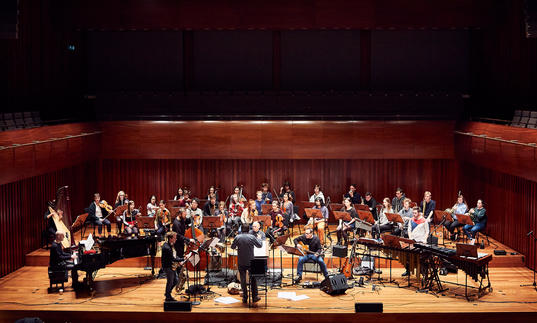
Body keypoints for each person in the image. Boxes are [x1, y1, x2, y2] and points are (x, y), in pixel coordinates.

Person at [231, 223, 262, 304]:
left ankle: (245, 298)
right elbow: (259, 245)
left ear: (241, 229)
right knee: (253, 279)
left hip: (241, 261)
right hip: (251, 261)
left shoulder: (237, 237)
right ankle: (254, 297)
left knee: (243, 279)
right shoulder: (252, 237)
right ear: (249, 229)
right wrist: (259, 238)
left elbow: (232, 247)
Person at [401, 207, 430, 276]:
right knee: (406, 254)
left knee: (421, 257)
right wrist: (410, 238)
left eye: (415, 213)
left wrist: (425, 240)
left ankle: (423, 272)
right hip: (413, 241)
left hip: (421, 242)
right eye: (413, 213)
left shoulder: (424, 220)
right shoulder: (411, 220)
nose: (413, 214)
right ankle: (408, 270)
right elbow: (409, 230)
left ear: (419, 213)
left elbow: (427, 232)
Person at [162, 232, 184, 302]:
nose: (176, 239)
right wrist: (182, 259)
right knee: (170, 282)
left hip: (172, 265)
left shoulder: (171, 245)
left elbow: (175, 256)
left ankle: (167, 293)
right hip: (168, 266)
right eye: (174, 238)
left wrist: (180, 259)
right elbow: (173, 258)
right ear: (170, 238)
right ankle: (168, 296)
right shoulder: (166, 247)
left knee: (176, 280)